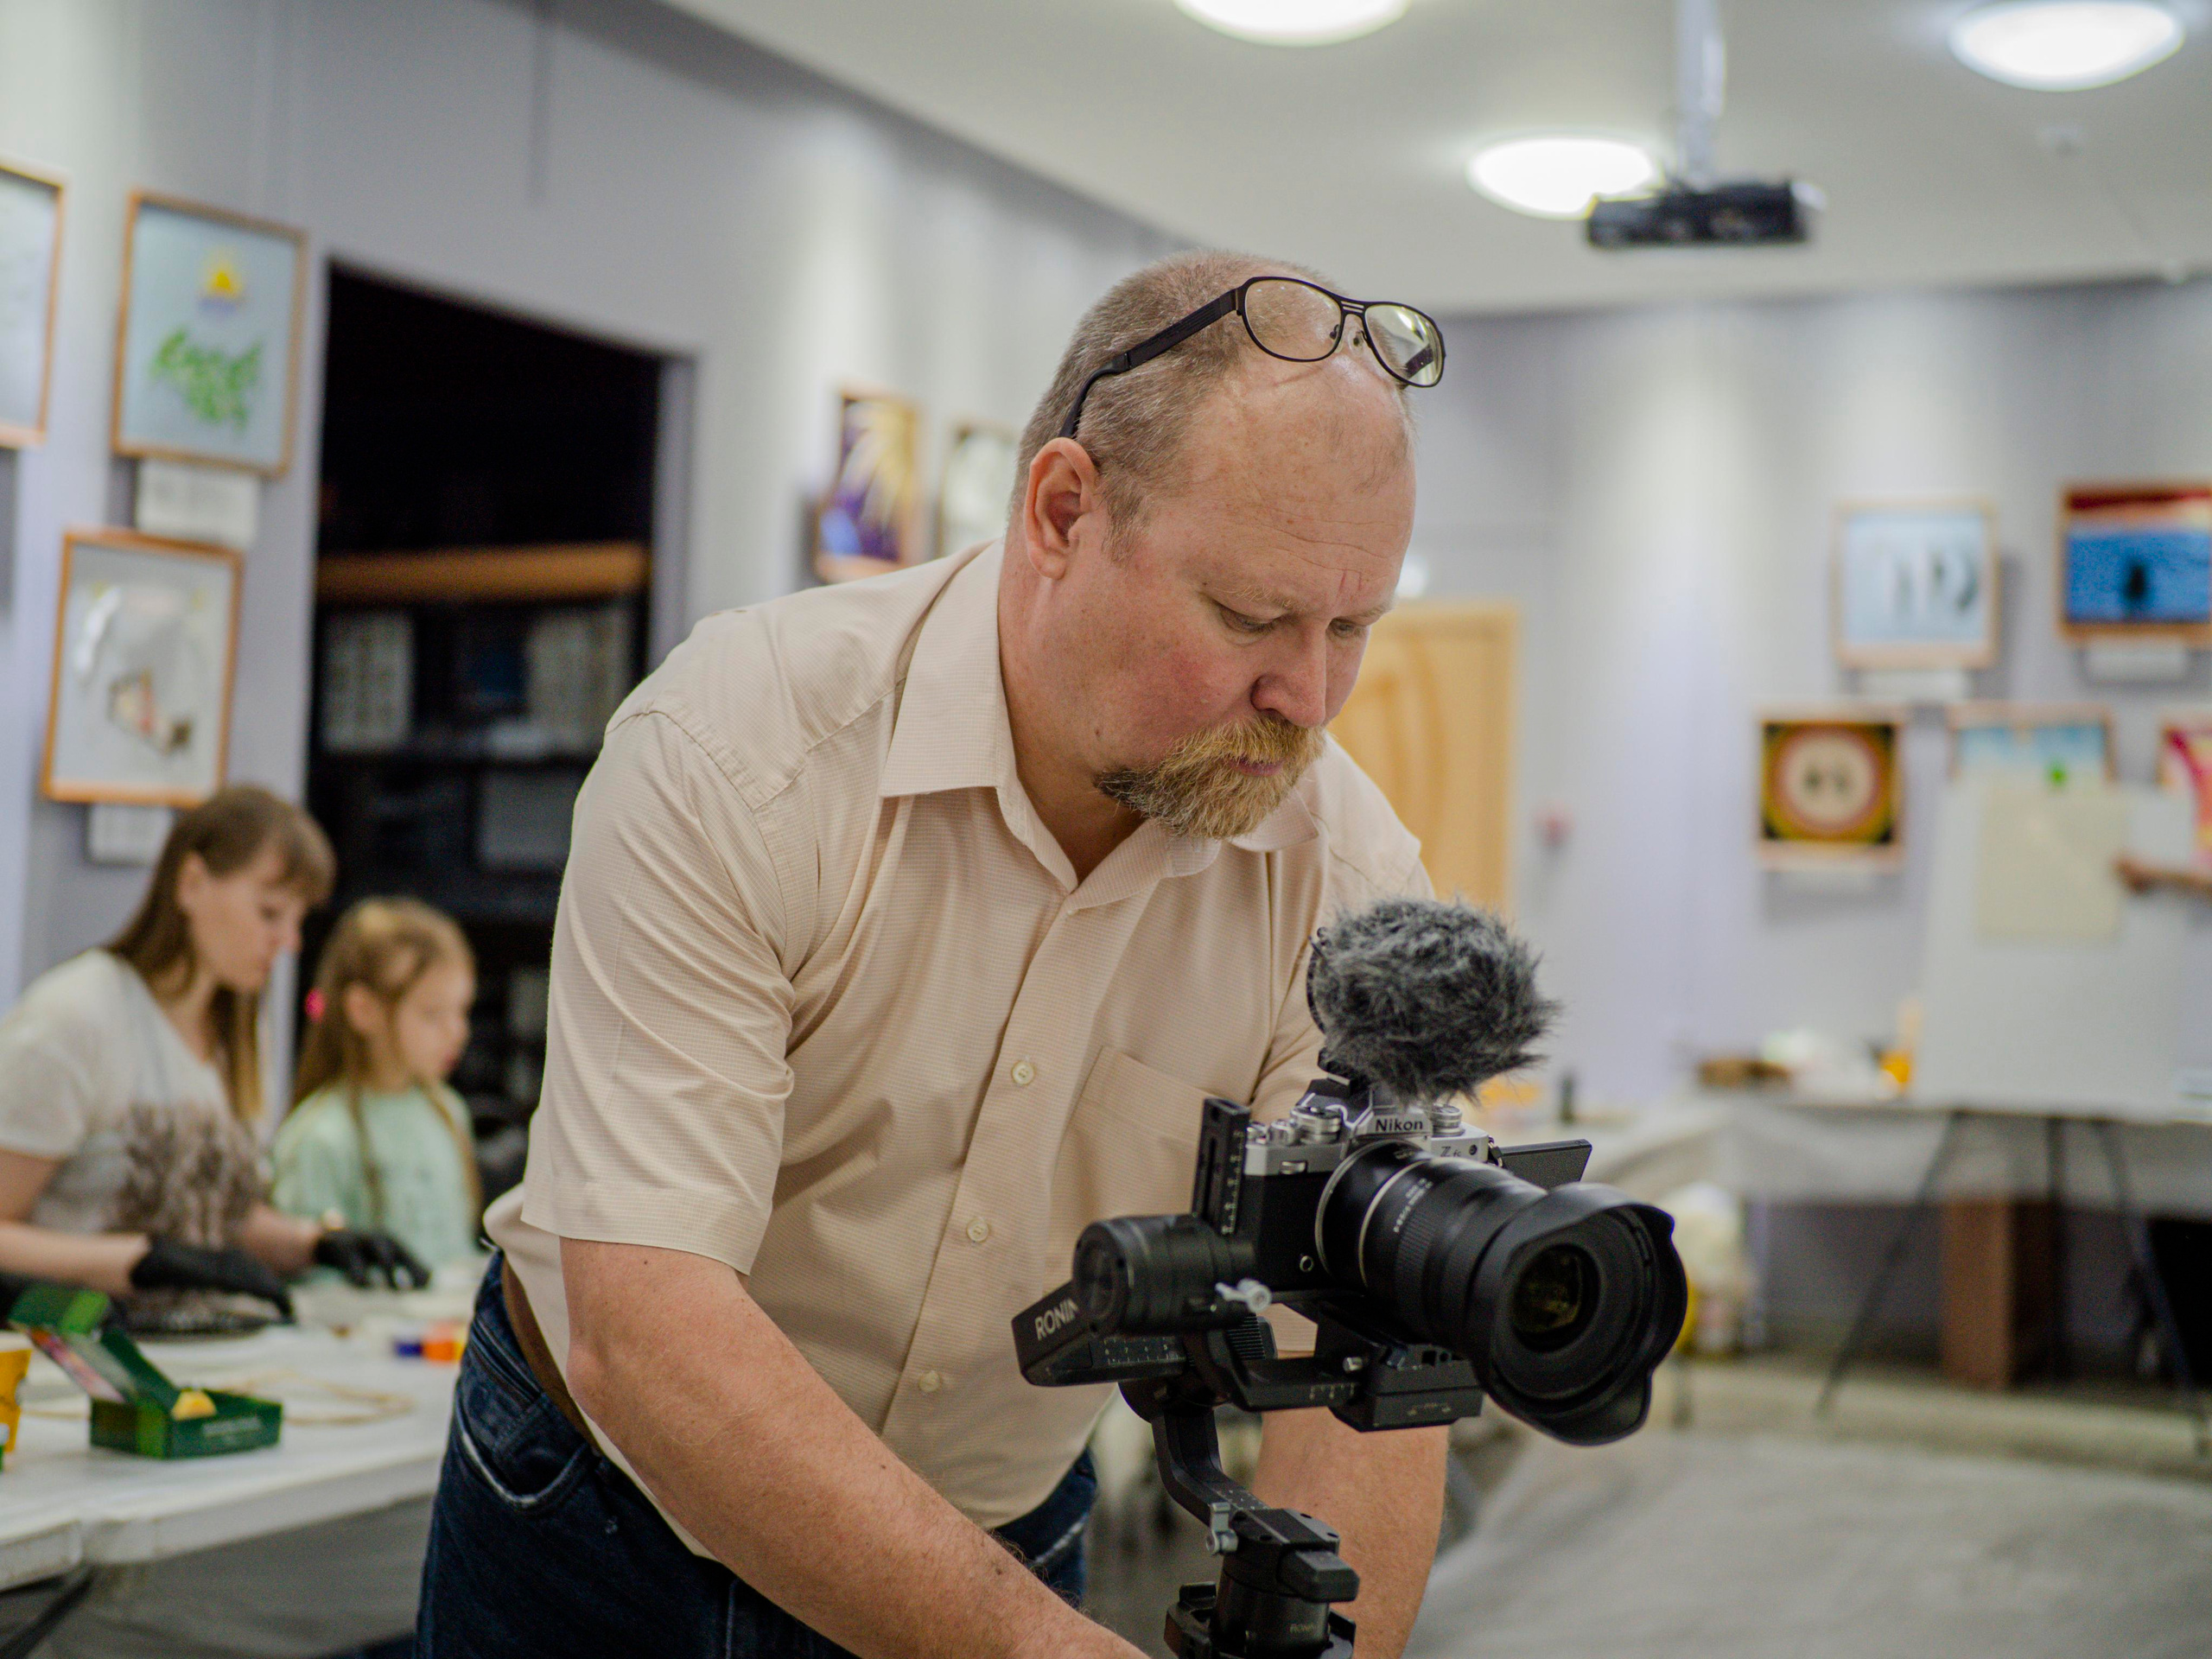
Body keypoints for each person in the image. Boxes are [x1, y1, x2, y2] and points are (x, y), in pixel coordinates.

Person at [418, 251, 1451, 1659]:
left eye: (1353, 629)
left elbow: (1367, 1360)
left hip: (992, 1519)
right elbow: (648, 1322)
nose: (1306, 698)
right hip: (601, 1512)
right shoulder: (745, 745)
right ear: (1064, 511)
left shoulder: (1356, 888)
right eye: (1250, 617)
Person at [0, 786, 428, 1325]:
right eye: (270, 912)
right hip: (91, 1355)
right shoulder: (76, 1016)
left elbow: (212, 1217)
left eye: (298, 921)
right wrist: (138, 1261)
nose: (288, 942)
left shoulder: (240, 1031)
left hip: (209, 1343)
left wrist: (314, 1242)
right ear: (191, 882)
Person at [275, 898, 485, 1273]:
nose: (457, 1032)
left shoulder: (449, 1112)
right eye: (433, 1014)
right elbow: (315, 1286)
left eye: (462, 1011)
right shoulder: (321, 1136)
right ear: (363, 1010)